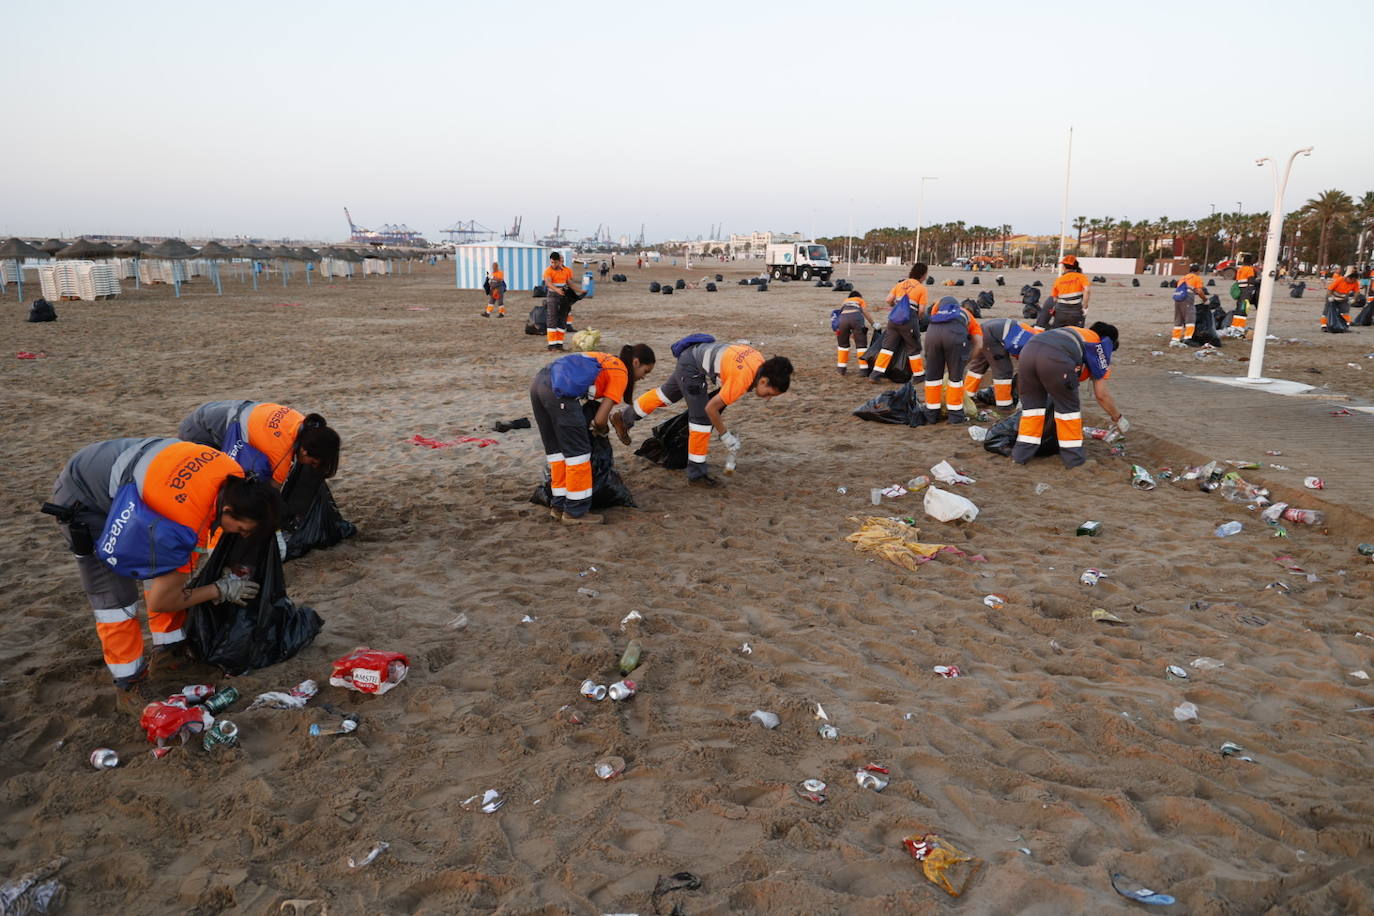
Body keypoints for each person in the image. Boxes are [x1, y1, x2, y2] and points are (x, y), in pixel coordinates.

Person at [46, 438, 282, 698]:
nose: (241, 536)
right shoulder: (186, 520)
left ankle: (168, 651)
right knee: (116, 600)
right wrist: (220, 589)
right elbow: (162, 600)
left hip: (121, 469)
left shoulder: (236, 476)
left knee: (166, 569)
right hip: (84, 497)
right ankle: (129, 682)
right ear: (227, 511)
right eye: (241, 530)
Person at [612, 336, 793, 487]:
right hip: (693, 366)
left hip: (691, 356)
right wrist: (725, 435)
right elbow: (711, 408)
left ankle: (624, 418)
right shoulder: (743, 380)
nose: (768, 398)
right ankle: (696, 474)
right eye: (770, 393)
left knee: (666, 395)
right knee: (701, 420)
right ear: (763, 381)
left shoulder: (758, 360)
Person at [531, 345, 656, 524]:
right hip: (559, 392)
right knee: (579, 454)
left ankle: (558, 505)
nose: (643, 377)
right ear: (635, 362)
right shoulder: (620, 371)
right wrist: (602, 431)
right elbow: (599, 420)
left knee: (557, 452)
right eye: (645, 371)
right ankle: (575, 512)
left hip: (539, 383)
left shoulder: (603, 360)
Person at [1012, 322, 1126, 469]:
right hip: (1055, 358)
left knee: (1032, 411)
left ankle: (1020, 456)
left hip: (1027, 353)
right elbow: (1101, 394)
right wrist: (1117, 417)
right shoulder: (1099, 345)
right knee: (1068, 412)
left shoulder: (1074, 332)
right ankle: (1074, 460)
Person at [177, 401, 340, 487]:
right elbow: (271, 492)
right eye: (313, 462)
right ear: (304, 451)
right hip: (199, 430)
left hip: (214, 410)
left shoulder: (300, 420)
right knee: (219, 484)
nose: (310, 466)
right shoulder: (280, 452)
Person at [921, 295, 983, 424]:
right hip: (955, 337)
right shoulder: (966, 314)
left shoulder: (936, 312)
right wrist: (965, 360)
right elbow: (979, 344)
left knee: (932, 379)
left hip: (932, 337)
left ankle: (931, 415)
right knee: (955, 379)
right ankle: (955, 416)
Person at [962, 317, 1040, 409]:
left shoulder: (1038, 340)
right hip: (993, 336)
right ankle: (1004, 404)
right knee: (1003, 370)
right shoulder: (1036, 350)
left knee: (979, 366)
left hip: (990, 330)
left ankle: (966, 396)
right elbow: (1025, 373)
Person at [871, 263, 928, 384]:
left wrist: (895, 307)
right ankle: (918, 375)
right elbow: (922, 310)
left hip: (893, 320)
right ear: (922, 275)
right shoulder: (921, 288)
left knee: (887, 348)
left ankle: (875, 373)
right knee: (913, 347)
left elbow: (888, 300)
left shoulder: (900, 284)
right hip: (908, 320)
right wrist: (918, 319)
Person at [543, 252, 583, 351]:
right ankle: (551, 345)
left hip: (564, 297)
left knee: (563, 320)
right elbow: (548, 283)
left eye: (555, 262)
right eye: (552, 262)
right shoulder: (548, 271)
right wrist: (556, 290)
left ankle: (559, 345)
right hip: (553, 297)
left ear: (559, 262)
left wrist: (581, 290)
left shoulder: (565, 271)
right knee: (552, 319)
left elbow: (569, 283)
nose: (554, 264)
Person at [833, 290, 877, 376]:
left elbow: (840, 315)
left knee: (843, 346)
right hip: (856, 318)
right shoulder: (860, 300)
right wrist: (873, 323)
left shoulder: (845, 301)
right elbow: (864, 312)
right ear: (859, 297)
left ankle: (841, 369)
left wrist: (849, 333)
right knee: (861, 345)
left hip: (842, 320)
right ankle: (864, 370)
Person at [1047, 255, 1091, 327]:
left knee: (1058, 334)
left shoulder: (1059, 280)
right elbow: (1087, 291)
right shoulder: (1081, 277)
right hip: (1075, 312)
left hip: (1060, 313)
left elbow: (1054, 299)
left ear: (1064, 267)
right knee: (1075, 334)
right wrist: (1085, 306)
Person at [1170, 267, 1206, 347]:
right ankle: (1188, 338)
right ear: (1197, 271)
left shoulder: (1183, 277)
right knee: (1190, 318)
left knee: (1178, 319)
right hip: (1187, 298)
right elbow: (1199, 291)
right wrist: (1204, 299)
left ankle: (1175, 339)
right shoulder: (1196, 278)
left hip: (1177, 298)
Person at [1228, 255, 1259, 336]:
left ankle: (1234, 326)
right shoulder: (1249, 269)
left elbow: (1238, 280)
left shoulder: (1240, 269)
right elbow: (1251, 280)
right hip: (1246, 291)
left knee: (1238, 308)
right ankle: (1240, 327)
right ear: (1250, 261)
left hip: (1240, 291)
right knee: (1243, 309)